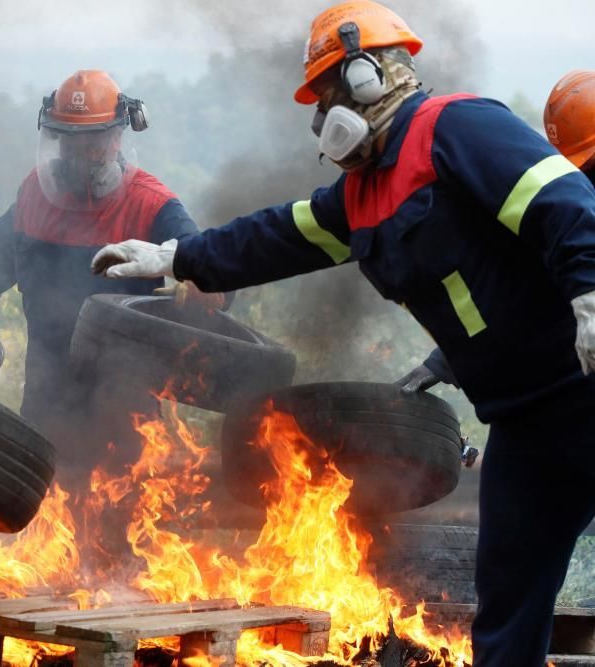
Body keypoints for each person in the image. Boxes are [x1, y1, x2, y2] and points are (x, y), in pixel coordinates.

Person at [90, 3, 595, 665]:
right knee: (507, 606)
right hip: (524, 424)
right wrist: (179, 257)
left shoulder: (459, 127)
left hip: (583, 388)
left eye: (328, 94)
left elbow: (560, 197)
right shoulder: (361, 195)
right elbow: (277, 235)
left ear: (367, 76)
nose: (321, 116)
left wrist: (590, 290)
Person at [0, 69, 220, 491]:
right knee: (41, 537)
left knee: (124, 542)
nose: (80, 155)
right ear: (55, 139)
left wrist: (198, 287)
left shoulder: (152, 206)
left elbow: (210, 273)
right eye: (69, 141)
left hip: (126, 422)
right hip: (46, 410)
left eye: (94, 143)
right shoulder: (34, 196)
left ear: (118, 138)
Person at [399, 68, 595, 394]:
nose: (587, 181)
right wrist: (446, 360)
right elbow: (529, 295)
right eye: (584, 169)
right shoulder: (568, 220)